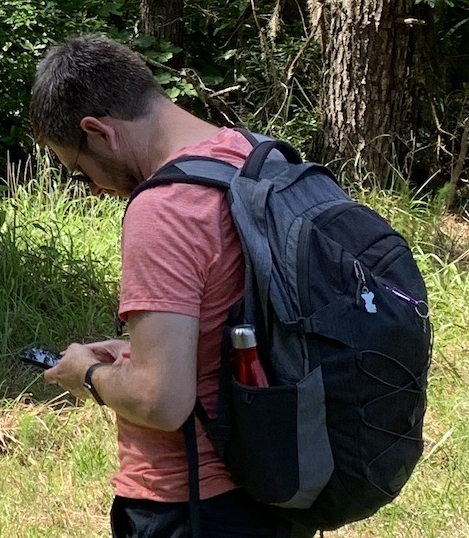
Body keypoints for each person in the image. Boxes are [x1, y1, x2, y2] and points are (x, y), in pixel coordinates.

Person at [30, 34, 310, 538]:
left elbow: (162, 401)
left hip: (192, 505)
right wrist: (143, 349)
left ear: (97, 131)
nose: (93, 189)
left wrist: (87, 374)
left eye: (79, 171)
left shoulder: (165, 207)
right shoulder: (253, 156)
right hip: (274, 482)